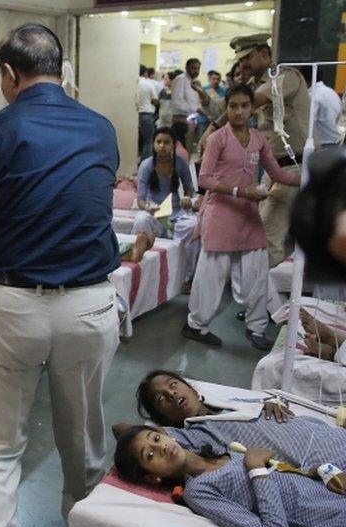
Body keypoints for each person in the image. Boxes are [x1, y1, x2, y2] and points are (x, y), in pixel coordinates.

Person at [0, 23, 121, 527]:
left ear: (10, 73)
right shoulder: (101, 127)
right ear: (60, 68)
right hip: (88, 303)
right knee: (84, 448)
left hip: (10, 303)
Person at [114, 426, 346, 527]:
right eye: (150, 454)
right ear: (153, 477)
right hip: (339, 522)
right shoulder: (198, 492)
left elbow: (285, 470)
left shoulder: (220, 449)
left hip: (343, 492)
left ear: (168, 435)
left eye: (157, 438)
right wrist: (255, 469)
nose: (160, 447)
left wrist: (325, 470)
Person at [184, 83, 300, 351]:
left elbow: (278, 173)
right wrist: (240, 192)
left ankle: (256, 328)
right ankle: (195, 325)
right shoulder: (218, 139)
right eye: (233, 106)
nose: (238, 112)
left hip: (248, 215)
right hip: (221, 213)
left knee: (256, 276)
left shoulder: (259, 139)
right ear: (227, 108)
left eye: (244, 106)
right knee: (211, 277)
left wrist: (306, 180)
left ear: (252, 108)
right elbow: (204, 178)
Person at [126, 370, 346, 474]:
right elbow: (124, 432)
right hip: (320, 455)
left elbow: (272, 403)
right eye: (161, 399)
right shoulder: (196, 434)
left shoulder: (228, 401)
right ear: (162, 420)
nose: (171, 394)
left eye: (173, 385)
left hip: (326, 434)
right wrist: (155, 429)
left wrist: (267, 403)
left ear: (192, 388)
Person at [200, 34, 310, 268]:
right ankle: (259, 294)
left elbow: (254, 102)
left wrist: (214, 126)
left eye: (248, 57)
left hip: (295, 164)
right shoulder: (253, 84)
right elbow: (225, 107)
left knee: (268, 234)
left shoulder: (285, 77)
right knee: (259, 230)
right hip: (273, 168)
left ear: (265, 54)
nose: (243, 65)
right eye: (240, 60)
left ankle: (264, 300)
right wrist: (208, 106)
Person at [133, 126, 199, 289]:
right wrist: (149, 207)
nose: (162, 146)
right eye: (159, 142)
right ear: (154, 144)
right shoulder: (147, 165)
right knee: (141, 219)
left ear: (174, 145)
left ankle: (185, 277)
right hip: (153, 212)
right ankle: (143, 273)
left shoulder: (181, 163)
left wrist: (187, 198)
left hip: (176, 211)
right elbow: (140, 200)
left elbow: (189, 188)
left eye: (166, 142)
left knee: (193, 225)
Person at [170, 58, 210, 150]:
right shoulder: (180, 79)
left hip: (191, 120)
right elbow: (177, 101)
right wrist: (195, 109)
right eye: (193, 68)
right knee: (181, 150)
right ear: (186, 68)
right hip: (181, 121)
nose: (196, 71)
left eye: (198, 68)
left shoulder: (194, 82)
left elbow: (194, 101)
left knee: (189, 149)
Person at [299, 66, 343, 148]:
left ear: (303, 79)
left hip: (324, 144)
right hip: (337, 142)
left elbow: (308, 123)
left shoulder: (312, 96)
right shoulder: (330, 91)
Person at [136, 65, 160, 159]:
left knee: (135, 141)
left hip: (133, 114)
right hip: (146, 114)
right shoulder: (148, 83)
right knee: (148, 141)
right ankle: (144, 163)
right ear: (145, 73)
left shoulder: (133, 83)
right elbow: (155, 100)